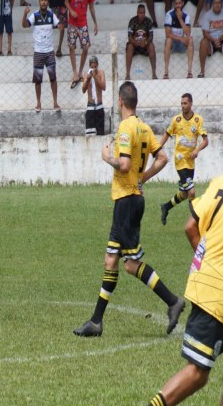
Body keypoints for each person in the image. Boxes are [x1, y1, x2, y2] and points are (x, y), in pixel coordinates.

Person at [73, 81, 185, 338]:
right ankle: (96, 322)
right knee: (111, 259)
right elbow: (163, 158)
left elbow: (123, 165)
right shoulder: (144, 128)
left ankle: (172, 301)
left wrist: (106, 157)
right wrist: (142, 178)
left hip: (126, 201)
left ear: (120, 102)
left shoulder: (125, 127)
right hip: (130, 199)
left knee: (131, 264)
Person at [147, 169, 223, 406]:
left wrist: (208, 267)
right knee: (197, 372)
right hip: (222, 293)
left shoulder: (222, 180)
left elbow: (189, 227)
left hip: (207, 283)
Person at [159, 93, 208, 226]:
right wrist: (157, 148)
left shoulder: (198, 120)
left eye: (185, 103)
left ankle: (166, 207)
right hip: (180, 161)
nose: (182, 106)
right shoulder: (177, 120)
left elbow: (205, 141)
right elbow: (167, 134)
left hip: (190, 162)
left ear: (191, 104)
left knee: (184, 194)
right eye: (181, 103)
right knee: (192, 191)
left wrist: (197, 150)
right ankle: (195, 222)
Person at [22, 0, 63, 112]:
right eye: (42, 0)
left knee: (53, 78)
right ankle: (38, 103)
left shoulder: (51, 15)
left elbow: (60, 26)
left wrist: (61, 27)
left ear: (48, 1)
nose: (43, 2)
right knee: (38, 80)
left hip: (50, 51)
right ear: (39, 2)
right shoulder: (34, 15)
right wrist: (24, 14)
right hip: (38, 52)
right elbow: (24, 25)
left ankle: (55, 103)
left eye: (45, 0)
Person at [64, 0, 97, 88]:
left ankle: (80, 72)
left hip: (83, 23)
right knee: (71, 46)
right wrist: (71, 11)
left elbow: (92, 7)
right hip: (72, 22)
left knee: (86, 47)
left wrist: (95, 23)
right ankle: (74, 73)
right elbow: (66, 1)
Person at [198, 0, 223, 78]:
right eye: (215, 3)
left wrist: (219, 39)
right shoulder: (207, 15)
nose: (217, 4)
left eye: (219, 3)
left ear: (221, 4)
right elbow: (205, 33)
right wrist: (214, 40)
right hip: (210, 40)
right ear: (212, 4)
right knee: (203, 42)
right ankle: (202, 72)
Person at [163, 0, 194, 79]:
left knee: (190, 40)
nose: (178, 6)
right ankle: (166, 72)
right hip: (173, 43)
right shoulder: (169, 14)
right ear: (174, 4)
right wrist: (181, 38)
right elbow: (167, 34)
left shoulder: (186, 16)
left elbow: (188, 33)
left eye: (179, 3)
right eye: (176, 3)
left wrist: (180, 19)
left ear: (183, 3)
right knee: (168, 40)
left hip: (182, 44)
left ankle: (189, 72)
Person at [125, 4, 156, 80]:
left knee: (151, 46)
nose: (142, 15)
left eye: (143, 13)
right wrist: (136, 43)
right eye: (140, 13)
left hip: (145, 46)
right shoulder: (132, 21)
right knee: (129, 46)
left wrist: (145, 42)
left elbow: (151, 37)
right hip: (135, 45)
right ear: (137, 13)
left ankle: (154, 73)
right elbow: (129, 37)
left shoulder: (148, 21)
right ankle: (128, 74)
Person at [81, 55, 105, 136]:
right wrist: (87, 79)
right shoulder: (86, 74)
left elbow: (103, 87)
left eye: (95, 66)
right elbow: (83, 90)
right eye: (92, 66)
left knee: (100, 133)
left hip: (99, 105)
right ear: (89, 65)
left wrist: (95, 77)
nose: (94, 68)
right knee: (90, 134)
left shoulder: (101, 73)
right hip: (90, 105)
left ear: (97, 65)